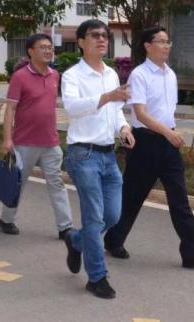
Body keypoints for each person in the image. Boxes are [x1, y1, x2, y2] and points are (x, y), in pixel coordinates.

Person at [105, 27, 194, 270]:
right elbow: (141, 114)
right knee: (131, 197)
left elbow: (167, 111)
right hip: (145, 143)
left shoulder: (170, 74)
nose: (166, 46)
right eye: (161, 41)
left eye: (168, 42)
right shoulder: (139, 75)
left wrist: (169, 132)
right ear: (148, 46)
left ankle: (193, 254)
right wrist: (168, 132)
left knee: (180, 200)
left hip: (168, 144)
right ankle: (113, 239)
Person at [61, 19, 136, 300]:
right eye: (95, 35)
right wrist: (107, 96)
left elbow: (115, 110)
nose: (102, 39)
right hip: (83, 154)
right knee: (93, 217)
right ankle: (97, 277)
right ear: (81, 42)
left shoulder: (111, 74)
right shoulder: (72, 75)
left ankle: (76, 240)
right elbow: (72, 107)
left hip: (108, 155)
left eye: (104, 35)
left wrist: (124, 128)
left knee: (112, 215)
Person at [0, 33, 73, 239]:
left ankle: (65, 227)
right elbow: (10, 109)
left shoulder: (55, 75)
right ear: (31, 51)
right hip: (25, 142)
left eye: (50, 47)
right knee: (17, 184)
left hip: (51, 142)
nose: (48, 51)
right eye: (43, 47)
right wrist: (7, 139)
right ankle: (7, 220)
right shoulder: (20, 77)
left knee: (57, 183)